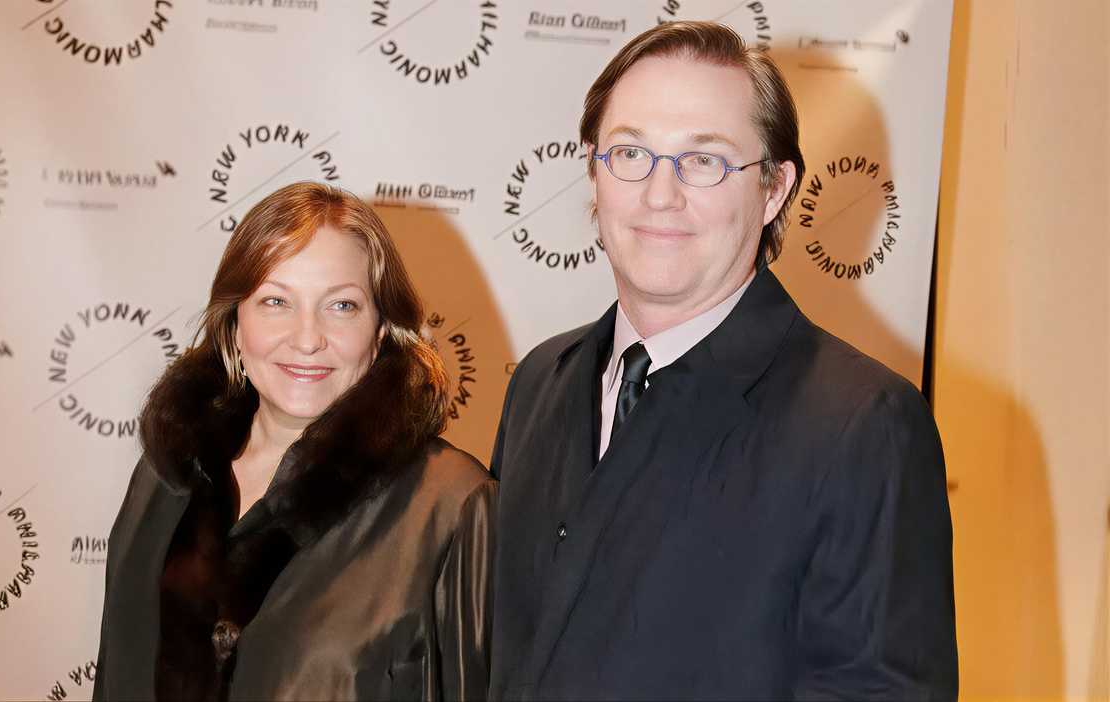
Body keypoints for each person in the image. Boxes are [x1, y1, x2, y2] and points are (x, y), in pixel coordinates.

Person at [489, 21, 957, 700]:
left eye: (703, 160)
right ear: (593, 168)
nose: (659, 194)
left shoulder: (865, 426)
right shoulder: (539, 381)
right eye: (630, 153)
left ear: (773, 189)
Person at [93, 182, 495, 701]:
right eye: (276, 301)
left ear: (381, 330)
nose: (307, 338)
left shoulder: (450, 505)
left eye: (342, 306)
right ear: (236, 324)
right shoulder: (168, 472)